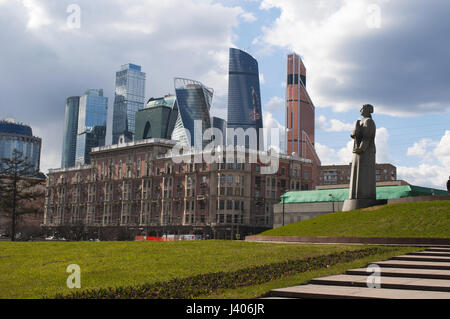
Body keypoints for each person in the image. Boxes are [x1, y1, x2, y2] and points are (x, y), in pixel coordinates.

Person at [349, 104, 376, 200]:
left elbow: (367, 137)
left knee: (364, 173)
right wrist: (356, 128)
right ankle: (354, 196)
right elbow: (354, 135)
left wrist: (361, 148)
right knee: (356, 171)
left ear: (368, 110)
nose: (361, 110)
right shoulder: (360, 121)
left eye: (363, 108)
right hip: (357, 151)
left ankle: (364, 196)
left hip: (366, 151)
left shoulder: (369, 121)